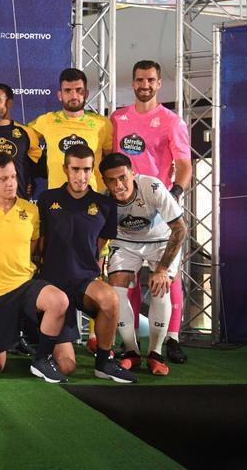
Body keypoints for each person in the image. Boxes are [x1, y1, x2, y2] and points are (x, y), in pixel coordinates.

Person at [0, 156, 69, 382]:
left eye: (13, 177)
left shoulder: (30, 210)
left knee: (59, 300)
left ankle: (41, 359)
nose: (11, 183)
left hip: (24, 286)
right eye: (3, 179)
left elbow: (33, 245)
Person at [111, 59, 192, 363]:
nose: (145, 85)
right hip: (125, 207)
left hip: (159, 205)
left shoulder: (172, 121)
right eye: (139, 80)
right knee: (125, 276)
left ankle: (171, 339)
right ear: (132, 83)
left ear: (159, 84)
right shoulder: (118, 118)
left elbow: (184, 165)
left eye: (151, 80)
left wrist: (175, 193)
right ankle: (128, 341)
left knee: (167, 278)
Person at [37, 145, 137, 383]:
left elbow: (98, 245)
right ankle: (46, 347)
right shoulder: (47, 199)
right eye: (75, 169)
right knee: (67, 367)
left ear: (92, 171)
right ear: (65, 169)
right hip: (53, 286)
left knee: (110, 297)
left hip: (83, 282)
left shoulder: (105, 205)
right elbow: (40, 244)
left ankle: (103, 363)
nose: (81, 176)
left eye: (86, 170)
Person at [100, 153, 188, 375]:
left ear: (133, 173)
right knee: (115, 293)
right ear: (105, 182)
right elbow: (98, 236)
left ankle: (155, 354)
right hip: (126, 242)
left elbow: (180, 229)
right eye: (112, 180)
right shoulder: (103, 199)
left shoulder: (153, 187)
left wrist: (162, 270)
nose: (119, 185)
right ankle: (131, 352)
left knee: (161, 289)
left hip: (161, 240)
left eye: (123, 177)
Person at [29, 68, 113, 193]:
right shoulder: (46, 120)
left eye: (79, 90)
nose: (74, 96)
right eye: (68, 91)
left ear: (86, 94)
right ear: (60, 95)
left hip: (94, 196)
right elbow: (19, 137)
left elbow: (110, 159)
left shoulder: (102, 123)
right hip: (57, 197)